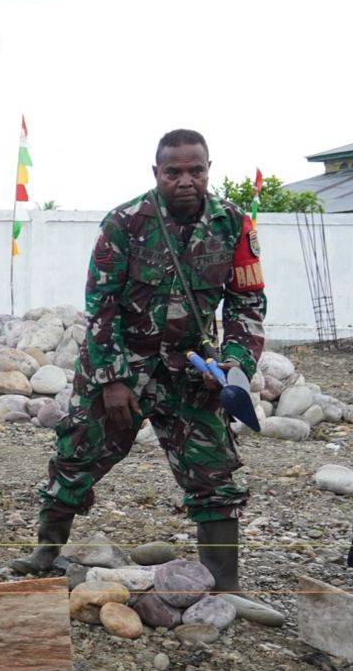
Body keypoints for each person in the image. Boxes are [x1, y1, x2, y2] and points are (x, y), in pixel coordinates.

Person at [15, 129, 266, 593]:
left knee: (215, 474)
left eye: (196, 170)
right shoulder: (124, 223)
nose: (186, 181)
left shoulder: (234, 224)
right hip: (121, 367)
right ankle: (45, 554)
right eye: (174, 172)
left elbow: (246, 304)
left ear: (209, 170)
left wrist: (233, 366)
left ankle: (225, 586)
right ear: (157, 173)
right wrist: (112, 380)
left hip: (192, 372)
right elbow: (101, 305)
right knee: (76, 459)